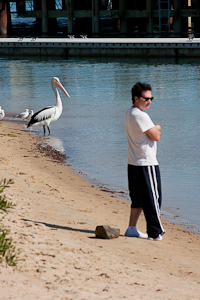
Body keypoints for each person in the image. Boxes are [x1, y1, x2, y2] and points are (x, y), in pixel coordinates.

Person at [124, 82, 165, 241]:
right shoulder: (140, 115)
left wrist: (154, 128)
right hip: (146, 164)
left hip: (134, 163)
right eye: (146, 98)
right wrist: (158, 127)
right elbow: (156, 136)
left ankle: (132, 228)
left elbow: (152, 133)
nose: (149, 101)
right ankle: (155, 232)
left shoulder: (130, 113)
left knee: (138, 199)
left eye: (151, 98)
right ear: (136, 98)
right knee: (153, 199)